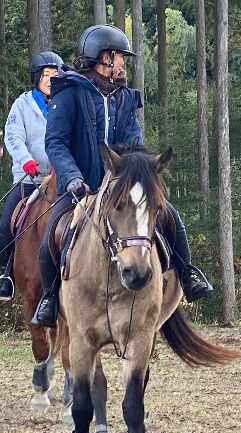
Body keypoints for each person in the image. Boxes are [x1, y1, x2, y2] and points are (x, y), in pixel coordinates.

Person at [31, 25, 212, 328]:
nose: (123, 64)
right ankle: (49, 297)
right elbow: (56, 143)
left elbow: (134, 142)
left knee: (170, 215)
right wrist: (72, 177)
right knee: (53, 233)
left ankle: (187, 273)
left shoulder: (126, 97)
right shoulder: (69, 93)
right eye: (120, 58)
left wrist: (137, 174)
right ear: (104, 57)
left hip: (122, 187)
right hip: (82, 187)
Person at [0, 51, 63, 301]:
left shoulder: (65, 104)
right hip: (30, 179)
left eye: (55, 75)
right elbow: (13, 136)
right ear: (36, 78)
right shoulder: (22, 105)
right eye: (45, 75)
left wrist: (62, 165)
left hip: (60, 180)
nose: (50, 80)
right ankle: (6, 276)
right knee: (6, 225)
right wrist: (26, 160)